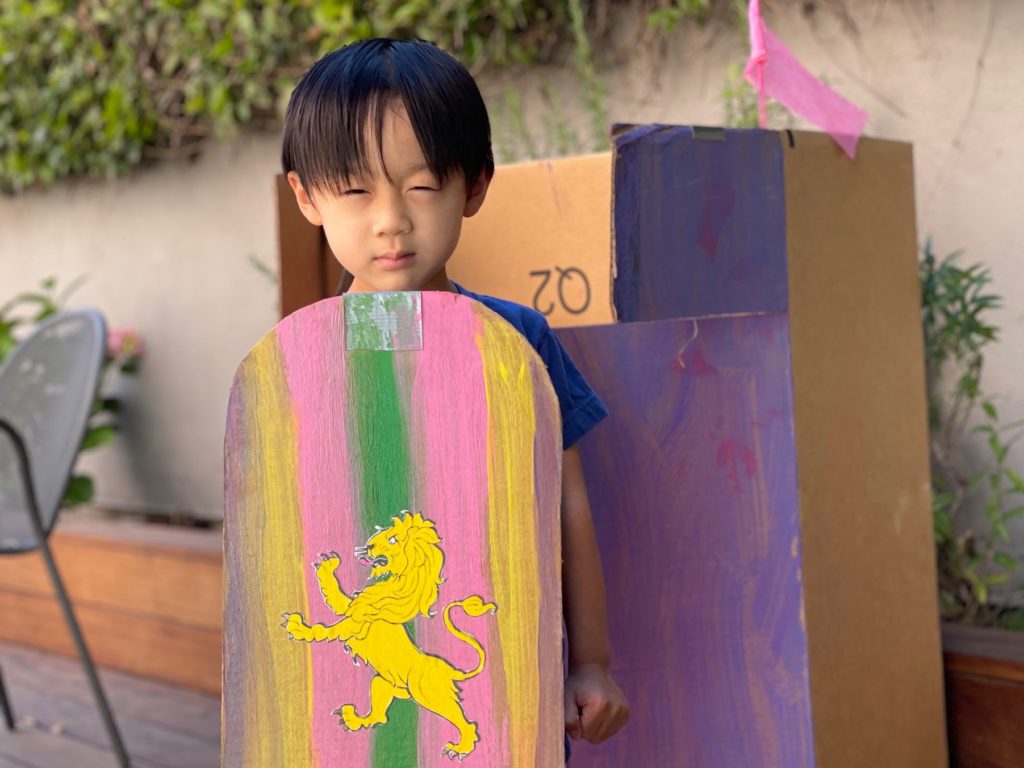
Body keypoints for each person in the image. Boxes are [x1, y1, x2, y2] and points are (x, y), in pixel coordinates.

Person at [281, 37, 629, 758]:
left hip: (512, 676)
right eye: (354, 190)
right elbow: (282, 529)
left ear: (473, 186)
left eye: (420, 186)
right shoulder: (294, 363)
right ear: (307, 197)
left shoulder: (517, 338)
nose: (390, 220)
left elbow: (568, 503)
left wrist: (590, 660)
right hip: (349, 701)